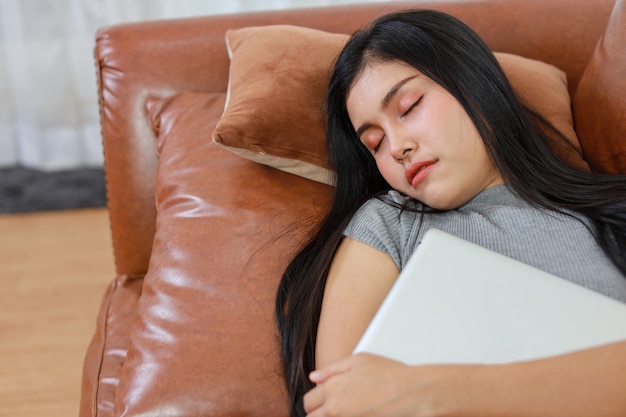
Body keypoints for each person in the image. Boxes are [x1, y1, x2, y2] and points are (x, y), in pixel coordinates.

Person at [275, 9, 626, 417]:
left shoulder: (612, 211)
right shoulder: (388, 224)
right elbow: (342, 405)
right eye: (374, 142)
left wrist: (436, 392)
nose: (396, 147)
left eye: (409, 107)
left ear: (474, 84)